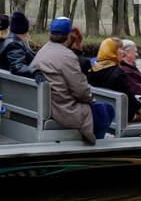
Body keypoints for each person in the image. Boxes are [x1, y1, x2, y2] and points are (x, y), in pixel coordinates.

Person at [32, 17, 115, 145]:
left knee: (99, 109)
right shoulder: (68, 56)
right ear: (68, 36)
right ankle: (94, 145)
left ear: (51, 34)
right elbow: (81, 91)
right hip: (63, 109)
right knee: (106, 109)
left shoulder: (42, 51)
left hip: (46, 104)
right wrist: (91, 100)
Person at [87, 38, 141, 125]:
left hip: (101, 112)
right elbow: (129, 97)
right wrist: (140, 105)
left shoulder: (93, 70)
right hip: (120, 116)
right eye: (120, 49)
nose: (123, 52)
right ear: (112, 52)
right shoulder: (118, 73)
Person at [0, 11, 36, 77]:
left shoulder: (13, 40)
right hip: (15, 84)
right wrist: (35, 71)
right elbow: (17, 66)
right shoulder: (14, 44)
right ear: (25, 30)